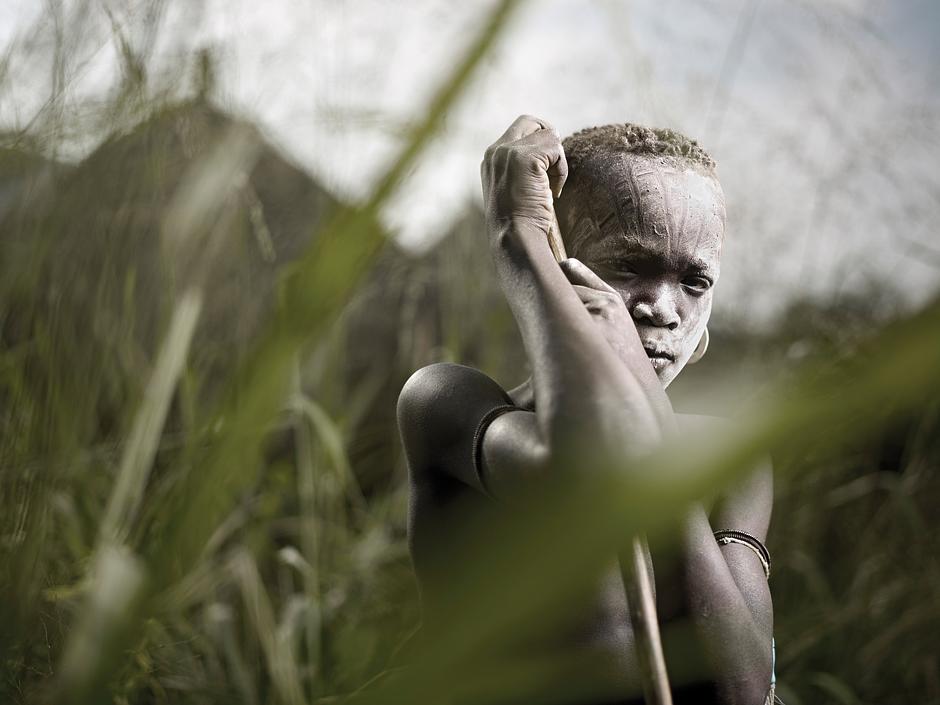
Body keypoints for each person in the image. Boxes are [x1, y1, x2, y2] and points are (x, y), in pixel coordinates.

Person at [397, 115, 777, 705]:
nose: (662, 309)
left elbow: (742, 693)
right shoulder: (448, 405)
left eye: (695, 283)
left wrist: (644, 403)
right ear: (549, 269)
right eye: (628, 266)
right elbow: (591, 469)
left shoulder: (727, 458)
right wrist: (516, 234)